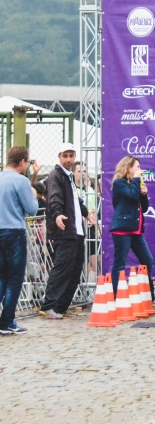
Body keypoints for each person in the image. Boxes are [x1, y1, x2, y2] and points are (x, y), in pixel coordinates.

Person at [41, 143, 93, 319]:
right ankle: (49, 305)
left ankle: (61, 306)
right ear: (59, 156)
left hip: (75, 230)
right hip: (65, 230)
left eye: (71, 156)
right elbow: (54, 198)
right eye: (66, 156)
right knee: (62, 268)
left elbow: (75, 201)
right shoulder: (56, 176)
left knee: (75, 270)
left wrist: (86, 213)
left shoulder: (68, 177)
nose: (69, 159)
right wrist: (57, 215)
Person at [0, 147, 39, 334]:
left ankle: (6, 320)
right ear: (23, 162)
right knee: (15, 279)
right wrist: (34, 194)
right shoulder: (21, 181)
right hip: (14, 232)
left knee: (1, 276)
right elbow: (31, 209)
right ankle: (7, 321)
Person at [109, 155, 155, 304]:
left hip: (135, 230)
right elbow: (131, 195)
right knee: (120, 264)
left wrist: (144, 194)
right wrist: (137, 181)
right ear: (128, 168)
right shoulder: (119, 183)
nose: (140, 170)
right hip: (122, 229)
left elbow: (145, 207)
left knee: (147, 260)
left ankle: (149, 297)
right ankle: (117, 297)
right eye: (137, 167)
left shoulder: (135, 184)